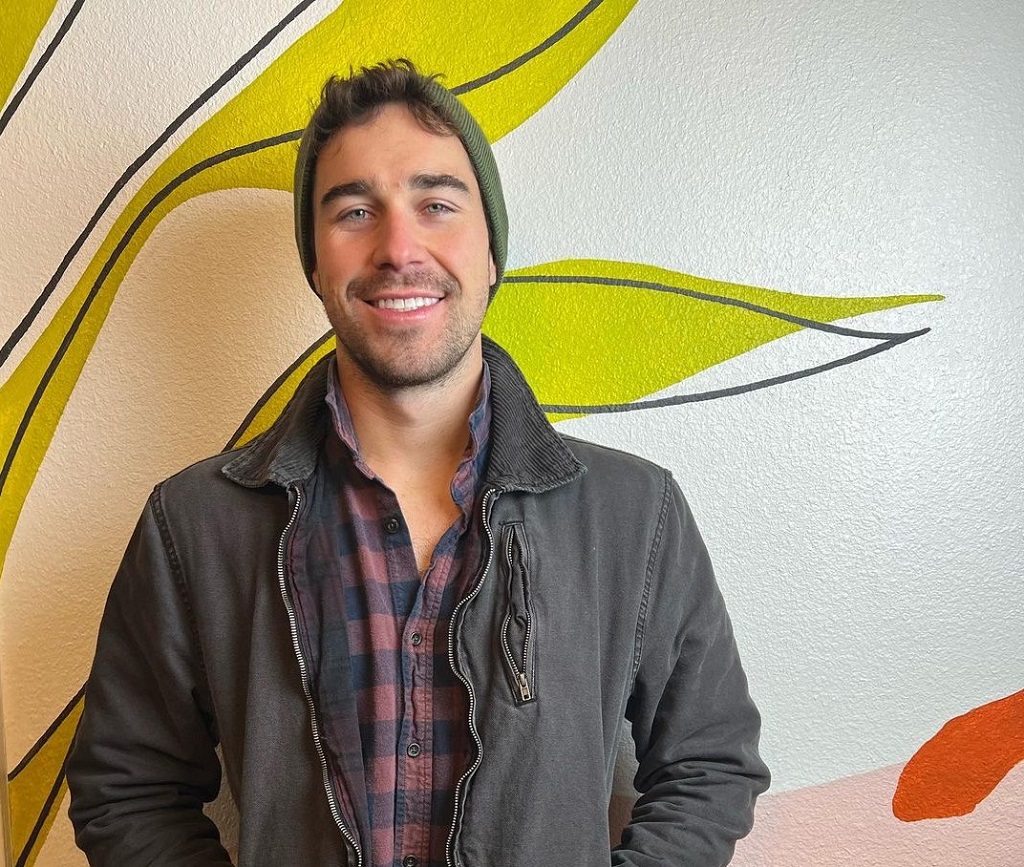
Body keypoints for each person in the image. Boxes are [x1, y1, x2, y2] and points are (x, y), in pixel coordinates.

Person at [67, 59, 769, 867]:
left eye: (436, 205)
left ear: (491, 249)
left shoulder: (634, 513)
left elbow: (710, 765)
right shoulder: (195, 524)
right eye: (355, 211)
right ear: (317, 263)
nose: (399, 247)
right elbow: (127, 789)